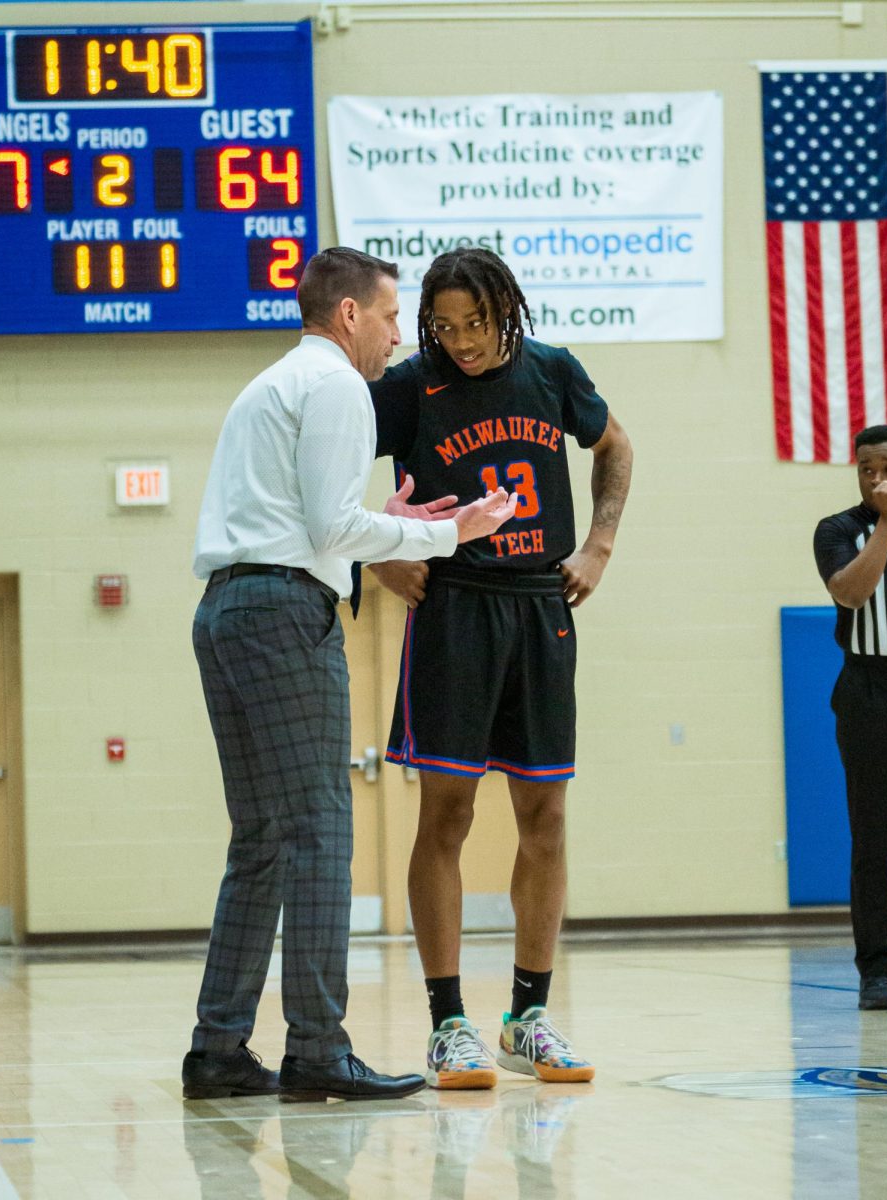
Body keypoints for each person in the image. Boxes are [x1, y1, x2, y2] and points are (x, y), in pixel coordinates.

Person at [183, 246, 519, 1102]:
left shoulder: (275, 384)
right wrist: (451, 532)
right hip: (281, 613)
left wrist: (387, 520)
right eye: (391, 317)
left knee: (261, 840)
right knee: (323, 829)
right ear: (348, 316)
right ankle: (319, 1049)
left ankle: (219, 1047)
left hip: (226, 609)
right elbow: (332, 527)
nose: (398, 334)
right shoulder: (335, 385)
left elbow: (315, 520)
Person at [367, 248, 633, 1088]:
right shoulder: (408, 386)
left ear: (505, 310)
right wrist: (380, 552)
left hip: (540, 608)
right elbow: (326, 472)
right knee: (445, 817)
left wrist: (598, 543)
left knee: (544, 815)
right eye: (443, 327)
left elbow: (616, 446)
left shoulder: (553, 371)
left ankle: (528, 1017)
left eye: (473, 324)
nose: (461, 342)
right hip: (453, 607)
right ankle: (449, 1021)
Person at [814, 423, 887, 1012]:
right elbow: (850, 593)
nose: (876, 478)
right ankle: (874, 972)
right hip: (869, 690)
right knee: (874, 839)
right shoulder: (839, 530)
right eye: (866, 469)